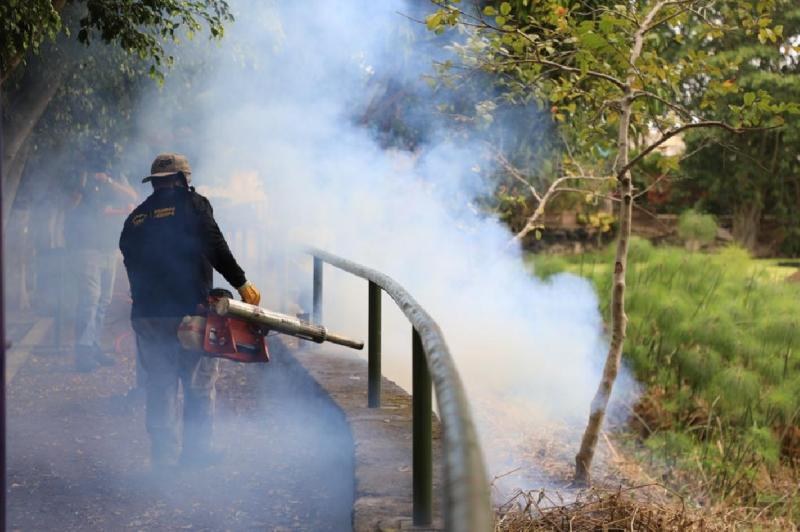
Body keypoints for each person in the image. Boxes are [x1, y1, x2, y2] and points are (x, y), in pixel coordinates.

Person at [119, 153, 261, 469]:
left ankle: (163, 459)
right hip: (188, 312)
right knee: (198, 383)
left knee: (160, 384)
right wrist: (241, 283)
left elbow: (130, 260)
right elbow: (214, 243)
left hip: (148, 316)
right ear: (184, 179)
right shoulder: (192, 205)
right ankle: (195, 455)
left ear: (155, 183)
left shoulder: (136, 218)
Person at [67, 170, 138, 372]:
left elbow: (131, 195)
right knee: (90, 299)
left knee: (103, 300)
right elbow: (72, 204)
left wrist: (109, 181)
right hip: (87, 249)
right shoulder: (82, 178)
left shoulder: (115, 177)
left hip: (109, 249)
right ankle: (83, 352)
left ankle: (94, 346)